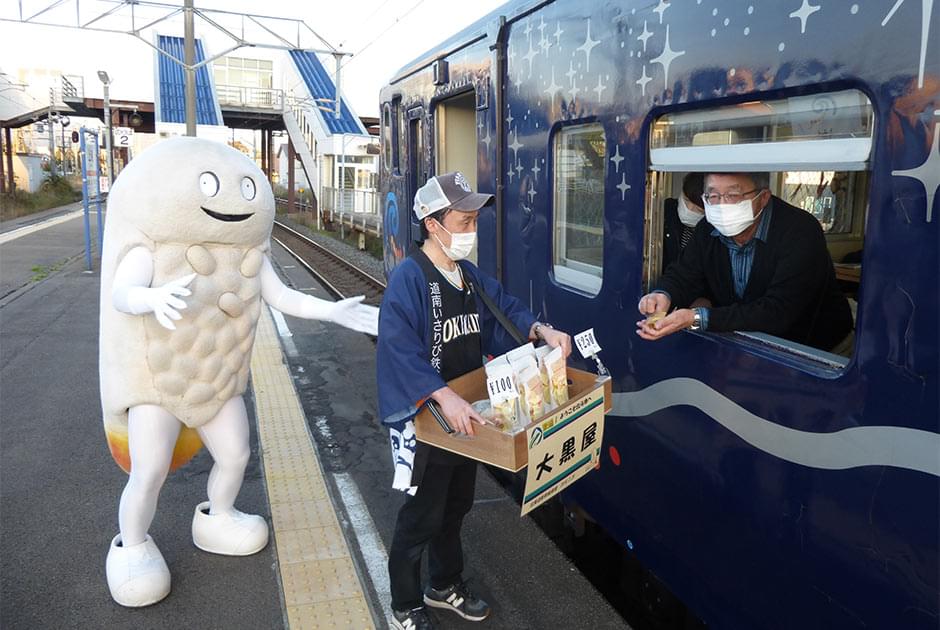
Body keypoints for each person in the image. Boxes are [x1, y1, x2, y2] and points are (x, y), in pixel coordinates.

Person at [376, 172, 572, 630]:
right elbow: (398, 349)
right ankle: (405, 602)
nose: (470, 230)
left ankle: (444, 585)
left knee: (456, 505)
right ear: (432, 222)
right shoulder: (410, 278)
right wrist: (444, 397)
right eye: (462, 221)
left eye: (472, 221)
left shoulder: (465, 275)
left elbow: (503, 307)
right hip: (430, 417)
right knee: (421, 515)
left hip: (467, 414)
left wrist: (541, 331)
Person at [637, 171, 853, 353]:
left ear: (763, 197)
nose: (721, 205)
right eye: (713, 195)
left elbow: (778, 312)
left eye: (733, 195)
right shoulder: (707, 228)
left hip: (815, 351)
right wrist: (663, 294)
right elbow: (684, 274)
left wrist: (695, 318)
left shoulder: (800, 230)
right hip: (745, 347)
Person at [662, 172, 705, 272]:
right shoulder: (665, 211)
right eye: (686, 200)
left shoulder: (713, 231)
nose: (688, 209)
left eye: (697, 209)